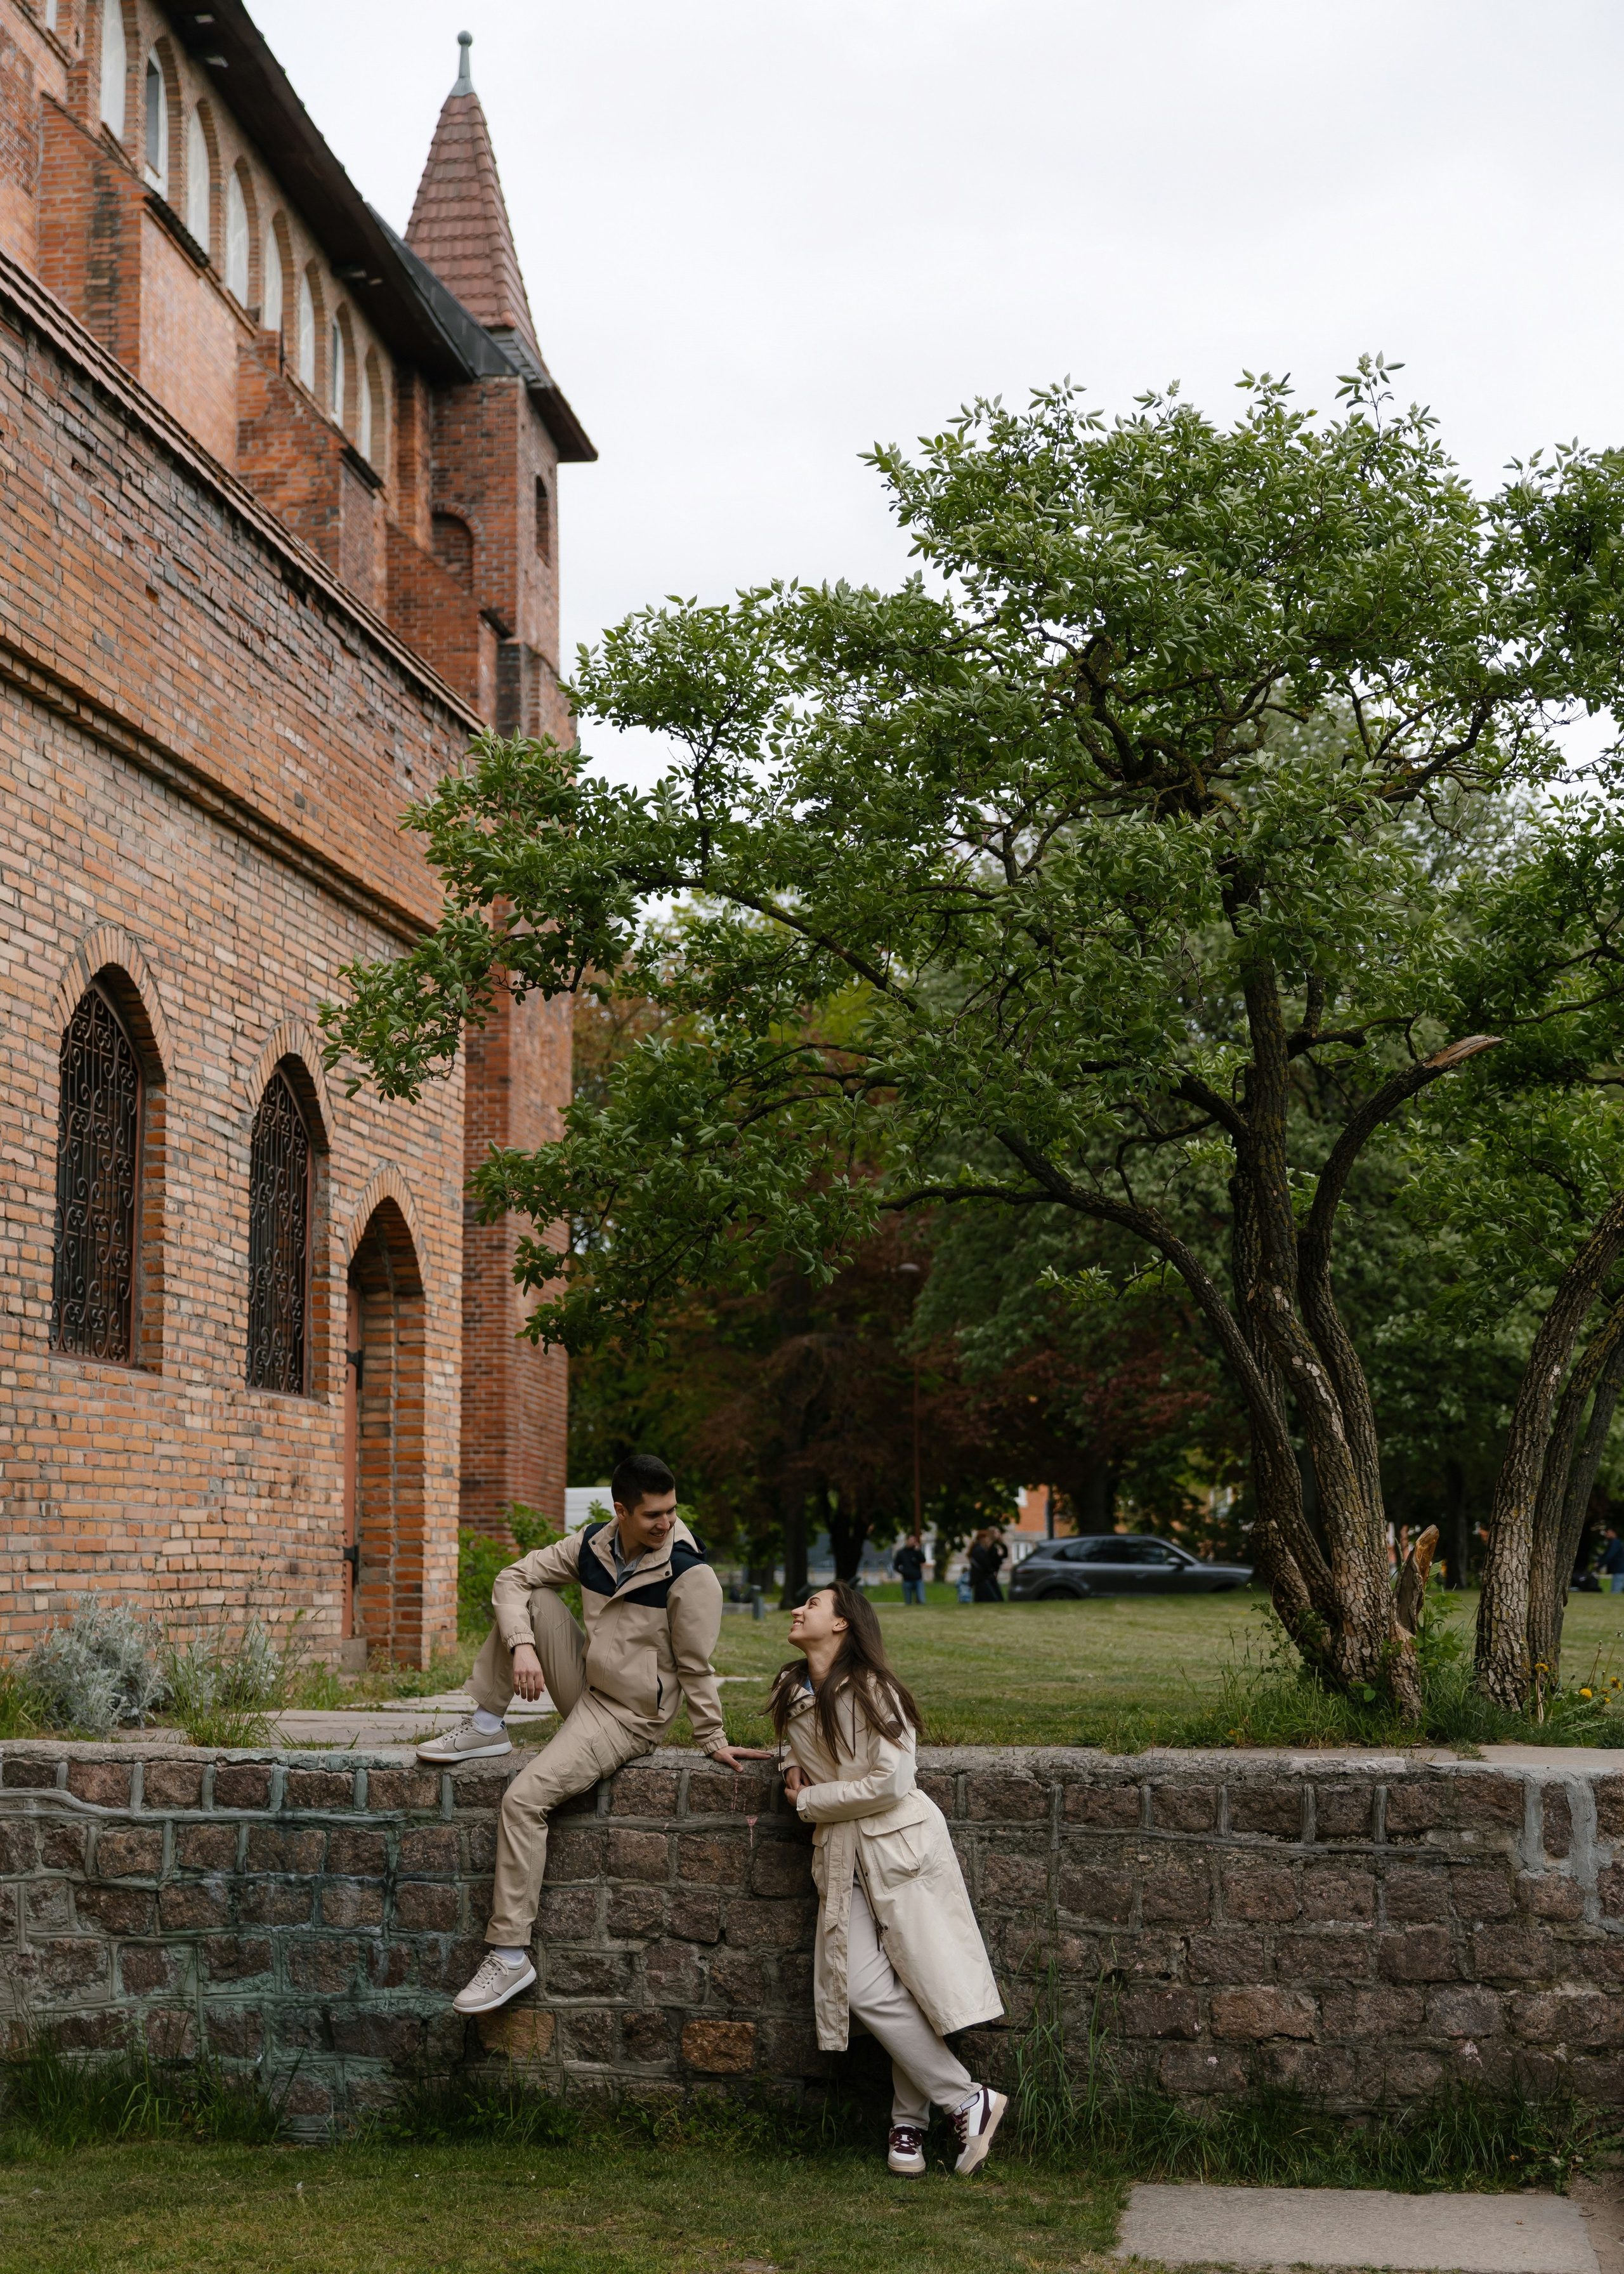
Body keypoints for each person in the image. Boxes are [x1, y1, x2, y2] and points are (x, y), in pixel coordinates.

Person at [417, 1452, 754, 2016]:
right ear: (621, 1511)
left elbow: (697, 1665)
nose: (666, 1524)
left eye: (672, 1512)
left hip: (629, 1715)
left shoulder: (688, 1572)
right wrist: (523, 1644)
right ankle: (485, 1726)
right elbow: (511, 1577)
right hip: (590, 1685)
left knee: (523, 1799)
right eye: (653, 1515)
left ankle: (510, 1953)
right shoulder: (593, 1545)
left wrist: (712, 1737)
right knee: (528, 1598)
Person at [768, 1581, 1007, 2177]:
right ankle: (965, 2099)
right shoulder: (790, 1687)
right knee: (861, 1987)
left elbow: (891, 1783)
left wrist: (811, 1799)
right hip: (842, 1854)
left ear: (844, 1624)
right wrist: (789, 1764)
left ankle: (910, 2122)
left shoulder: (877, 1692)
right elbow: (792, 1747)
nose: (799, 1611)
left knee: (919, 1979)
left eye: (813, 1605)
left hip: (902, 1849)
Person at [967, 1527, 1007, 1603]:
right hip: (982, 1580)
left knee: (982, 1601)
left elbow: (1002, 1556)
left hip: (985, 1579)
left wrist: (1001, 1544)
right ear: (982, 1538)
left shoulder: (987, 1549)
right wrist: (992, 1571)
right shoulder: (978, 1550)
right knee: (994, 1600)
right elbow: (985, 1563)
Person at [892, 1532, 927, 1607]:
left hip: (918, 1579)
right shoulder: (901, 1553)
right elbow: (896, 1566)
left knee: (922, 1600)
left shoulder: (916, 1552)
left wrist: (918, 1550)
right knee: (908, 1603)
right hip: (907, 1580)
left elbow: (923, 1560)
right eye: (911, 1540)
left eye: (914, 1540)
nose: (913, 1542)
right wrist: (903, 1572)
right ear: (907, 1541)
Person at [1602, 1527, 1624, 1594]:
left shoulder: (1615, 1543)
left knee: (1615, 1592)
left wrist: (1600, 1564)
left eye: (1608, 1532)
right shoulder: (1615, 1543)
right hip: (1619, 1571)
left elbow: (1609, 1555)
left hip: (1619, 1571)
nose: (1606, 1534)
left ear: (1614, 1533)